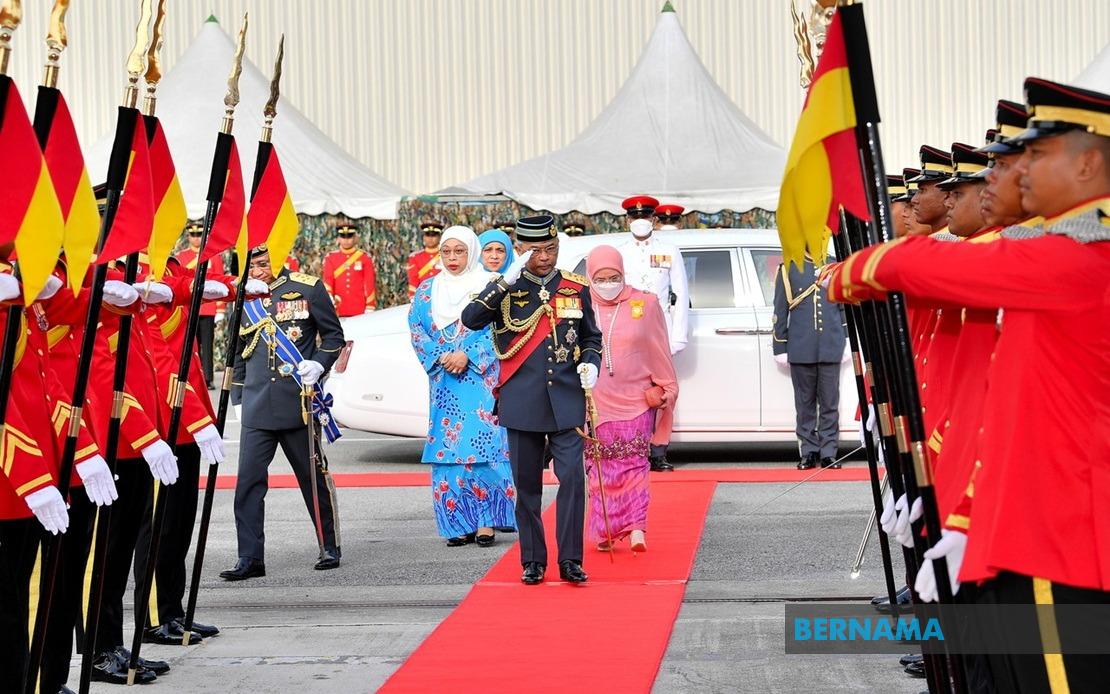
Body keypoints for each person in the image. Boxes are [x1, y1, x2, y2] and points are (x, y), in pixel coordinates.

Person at [828, 76, 1110, 693]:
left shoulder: (1077, 259)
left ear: (1089, 163)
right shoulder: (1058, 254)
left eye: (1035, 155)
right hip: (1027, 524)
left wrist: (858, 268)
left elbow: (917, 262)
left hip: (1059, 539)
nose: (1011, 174)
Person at [462, 214, 602, 585]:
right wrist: (505, 281)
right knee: (527, 487)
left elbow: (591, 337)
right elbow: (471, 319)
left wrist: (591, 362)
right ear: (522, 249)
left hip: (567, 399)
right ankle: (533, 559)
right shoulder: (506, 287)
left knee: (573, 480)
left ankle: (570, 559)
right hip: (522, 400)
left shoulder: (574, 287)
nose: (545, 257)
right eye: (537, 250)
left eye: (551, 249)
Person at [225, 246, 345, 579]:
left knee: (312, 477)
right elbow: (235, 351)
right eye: (252, 266)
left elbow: (334, 336)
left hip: (298, 402)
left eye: (263, 263)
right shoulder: (242, 297)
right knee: (248, 483)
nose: (258, 271)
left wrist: (318, 364)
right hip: (256, 404)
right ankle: (250, 556)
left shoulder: (307, 288)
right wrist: (237, 398)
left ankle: (329, 545)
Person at [409, 226, 516, 546]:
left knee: (484, 449)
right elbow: (416, 328)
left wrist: (467, 355)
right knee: (448, 453)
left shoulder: (488, 286)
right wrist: (441, 356)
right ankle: (457, 523)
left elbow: (500, 328)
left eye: (459, 252)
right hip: (444, 381)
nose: (452, 258)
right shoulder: (427, 290)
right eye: (446, 252)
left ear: (471, 252)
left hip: (480, 379)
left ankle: (487, 521)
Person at [583, 246, 677, 554]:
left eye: (614, 277)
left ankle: (637, 527)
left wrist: (666, 386)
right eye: (601, 278)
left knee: (635, 465)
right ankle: (607, 529)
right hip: (595, 402)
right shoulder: (578, 305)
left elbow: (658, 347)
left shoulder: (645, 302)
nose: (608, 283)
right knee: (599, 470)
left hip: (636, 399)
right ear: (589, 276)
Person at [618, 195, 689, 472]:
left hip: (660, 329)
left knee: (664, 392)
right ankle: (634, 447)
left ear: (654, 220)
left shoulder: (669, 250)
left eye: (645, 217)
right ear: (627, 221)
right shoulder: (619, 252)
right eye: (635, 217)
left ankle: (658, 449)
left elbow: (681, 294)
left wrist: (679, 335)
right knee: (630, 391)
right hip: (627, 330)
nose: (640, 222)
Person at [771, 251, 847, 470]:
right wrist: (780, 345)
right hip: (801, 344)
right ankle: (808, 451)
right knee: (804, 405)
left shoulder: (833, 264)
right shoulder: (789, 267)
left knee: (830, 403)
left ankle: (829, 452)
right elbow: (780, 308)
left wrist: (847, 339)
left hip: (830, 343)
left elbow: (842, 307)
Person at [175, 221, 226, 388]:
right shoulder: (181, 257)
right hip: (189, 307)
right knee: (190, 344)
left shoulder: (213, 256)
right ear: (188, 237)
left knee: (207, 344)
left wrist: (220, 308)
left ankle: (208, 378)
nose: (196, 239)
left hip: (208, 307)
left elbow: (219, 280)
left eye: (199, 235)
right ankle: (191, 377)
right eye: (193, 235)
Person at [323, 222, 378, 318]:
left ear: (355, 238)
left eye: (349, 237)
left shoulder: (364, 258)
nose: (346, 240)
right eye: (343, 237)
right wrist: (329, 299)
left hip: (359, 307)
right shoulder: (331, 258)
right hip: (338, 307)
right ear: (338, 239)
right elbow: (328, 280)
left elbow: (369, 283)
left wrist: (370, 305)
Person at [408, 220, 444, 298]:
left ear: (439, 237)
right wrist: (413, 298)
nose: (430, 238)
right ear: (424, 237)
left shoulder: (445, 255)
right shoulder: (415, 257)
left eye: (434, 235)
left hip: (442, 295)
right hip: (423, 297)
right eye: (428, 235)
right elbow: (413, 280)